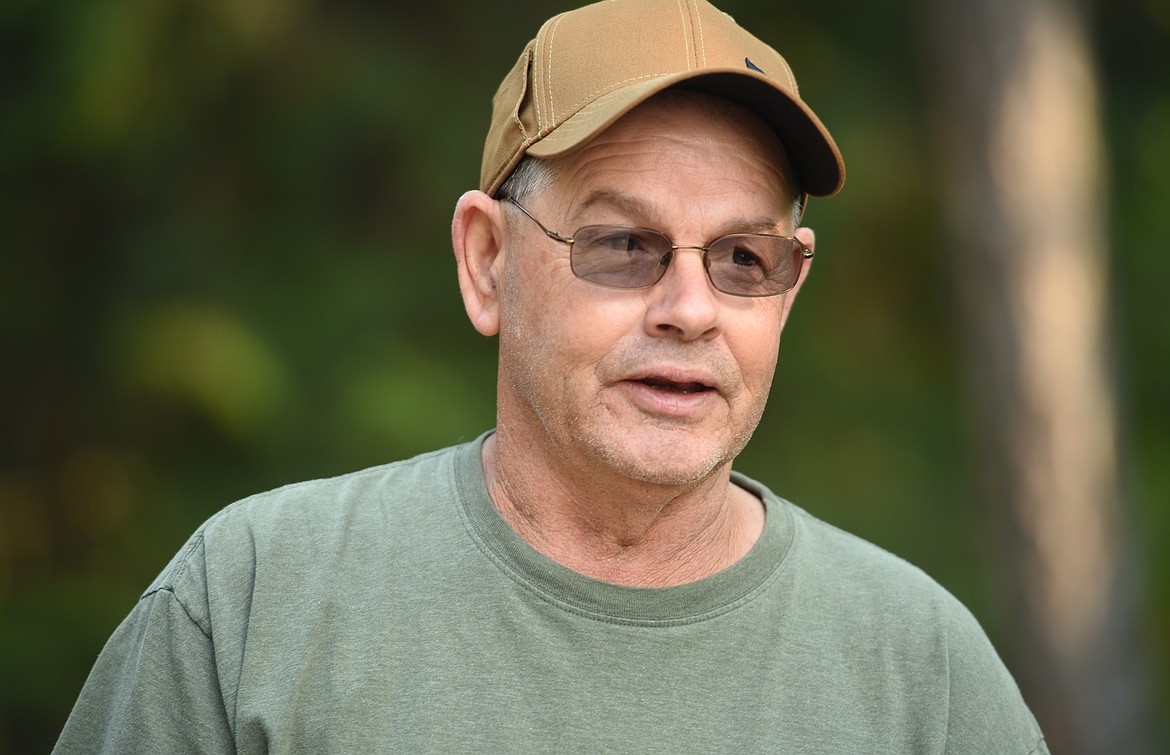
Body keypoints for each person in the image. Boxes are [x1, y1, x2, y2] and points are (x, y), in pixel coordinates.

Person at [56, 0, 1049, 751]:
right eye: (624, 243)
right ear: (487, 260)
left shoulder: (920, 669)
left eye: (743, 258)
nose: (691, 308)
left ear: (788, 289)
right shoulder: (252, 604)